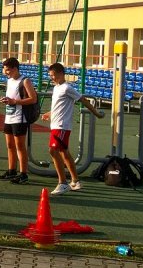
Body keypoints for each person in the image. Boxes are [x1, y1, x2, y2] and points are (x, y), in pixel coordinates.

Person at [43, 62, 104, 195]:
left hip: (62, 126)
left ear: (60, 74)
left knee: (53, 151)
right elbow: (59, 106)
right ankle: (75, 181)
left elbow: (83, 100)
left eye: (53, 75)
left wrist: (96, 113)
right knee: (64, 153)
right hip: (56, 125)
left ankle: (62, 183)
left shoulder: (67, 88)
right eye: (50, 75)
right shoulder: (57, 88)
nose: (51, 78)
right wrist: (50, 113)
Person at [0, 57, 38, 185]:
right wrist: (6, 100)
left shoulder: (25, 81)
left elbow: (33, 99)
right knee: (10, 145)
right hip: (9, 116)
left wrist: (15, 101)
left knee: (20, 146)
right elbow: (12, 97)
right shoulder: (9, 81)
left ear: (15, 68)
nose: (6, 72)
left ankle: (23, 174)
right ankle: (11, 170)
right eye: (5, 70)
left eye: (8, 70)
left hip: (20, 118)